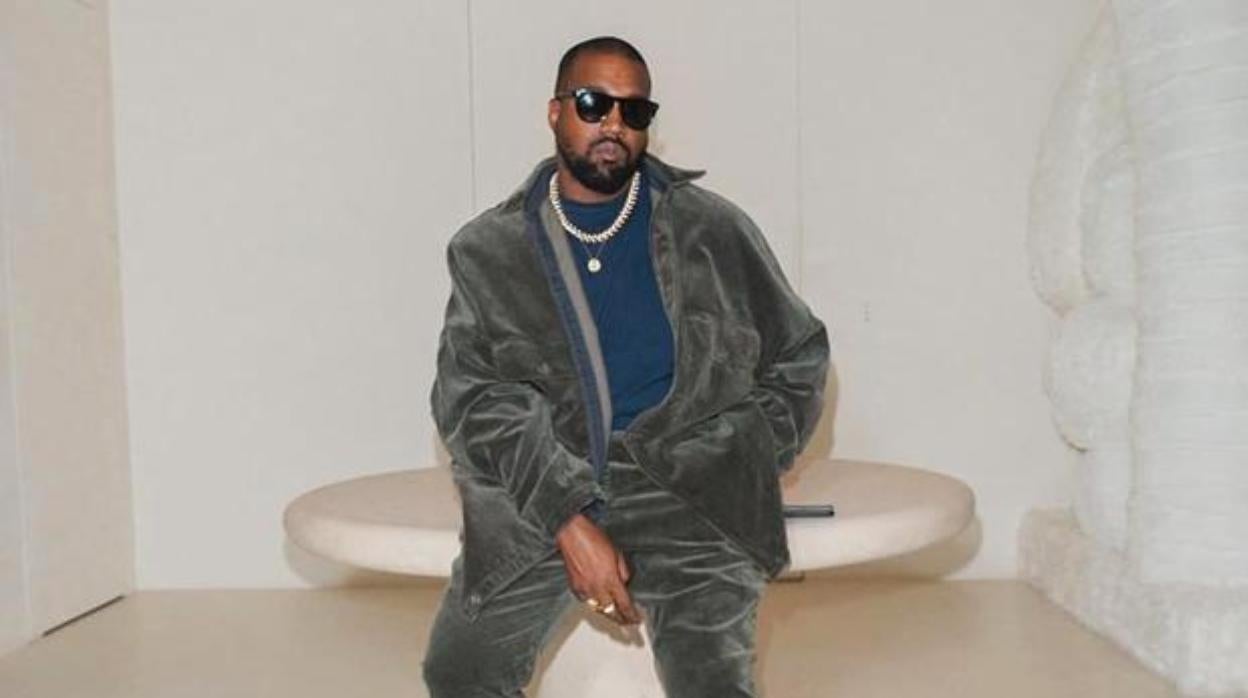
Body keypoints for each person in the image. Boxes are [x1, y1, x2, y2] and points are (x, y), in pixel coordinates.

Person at [423, 35, 830, 697]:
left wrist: (746, 453)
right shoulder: (490, 250)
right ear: (555, 112)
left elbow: (799, 352)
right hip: (546, 482)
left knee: (713, 682)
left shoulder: (711, 230)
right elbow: (470, 399)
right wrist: (567, 520)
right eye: (594, 104)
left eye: (634, 111)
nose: (613, 123)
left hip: (688, 488)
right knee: (459, 672)